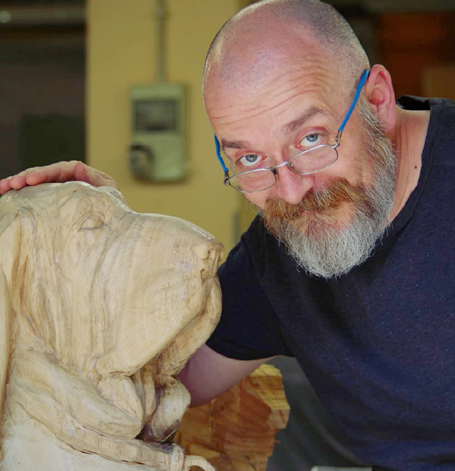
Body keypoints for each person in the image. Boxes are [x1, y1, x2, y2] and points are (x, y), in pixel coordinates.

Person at [1, 1, 454, 469]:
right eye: (251, 160)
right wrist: (87, 229)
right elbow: (154, 381)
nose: (292, 191)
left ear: (377, 101)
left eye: (311, 139)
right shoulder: (280, 255)